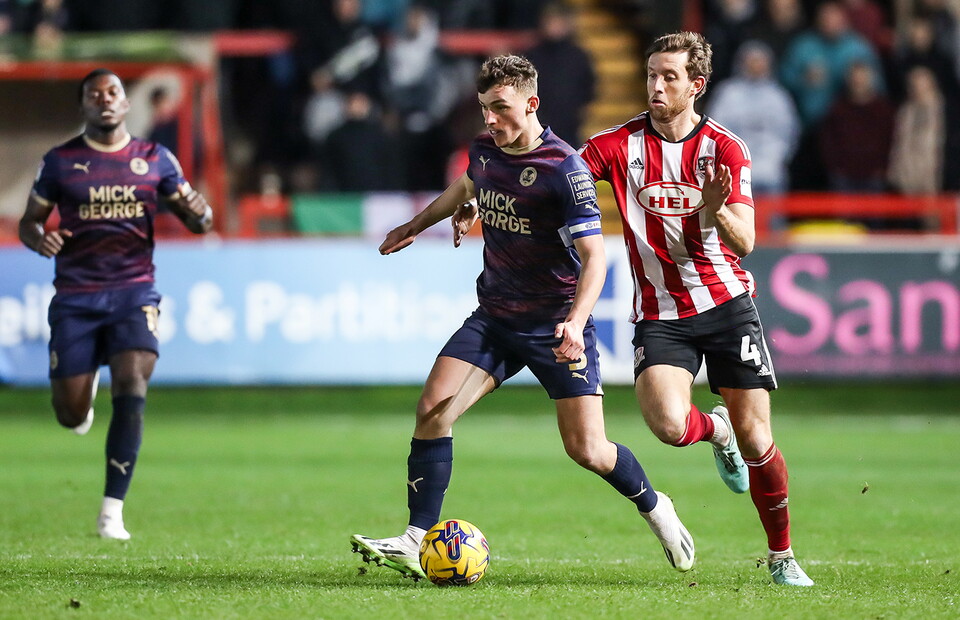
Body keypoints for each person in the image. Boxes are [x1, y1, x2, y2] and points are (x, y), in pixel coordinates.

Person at [350, 54, 694, 580]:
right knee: (433, 409)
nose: (490, 119)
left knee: (588, 449)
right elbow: (470, 184)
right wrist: (417, 225)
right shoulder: (485, 149)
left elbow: (595, 258)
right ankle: (417, 539)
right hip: (495, 318)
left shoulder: (565, 170)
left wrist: (576, 321)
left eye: (501, 108)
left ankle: (654, 505)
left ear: (531, 103)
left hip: (555, 326)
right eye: (484, 108)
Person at [578, 31, 814, 587]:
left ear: (696, 85)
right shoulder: (618, 145)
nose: (656, 87)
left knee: (758, 438)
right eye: (651, 76)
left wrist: (715, 206)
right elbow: (561, 178)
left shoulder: (726, 149)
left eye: (670, 77)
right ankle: (715, 431)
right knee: (667, 424)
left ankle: (782, 556)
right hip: (660, 311)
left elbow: (745, 240)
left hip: (726, 303)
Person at [18, 69, 214, 540]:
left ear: (126, 104)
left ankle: (112, 510)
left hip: (134, 291)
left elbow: (199, 221)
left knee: (131, 384)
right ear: (84, 105)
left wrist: (200, 212)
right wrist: (40, 238)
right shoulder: (61, 162)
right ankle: (81, 399)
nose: (104, 100)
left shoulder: (154, 158)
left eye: (113, 93)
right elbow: (29, 222)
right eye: (95, 94)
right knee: (69, 414)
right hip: (77, 296)